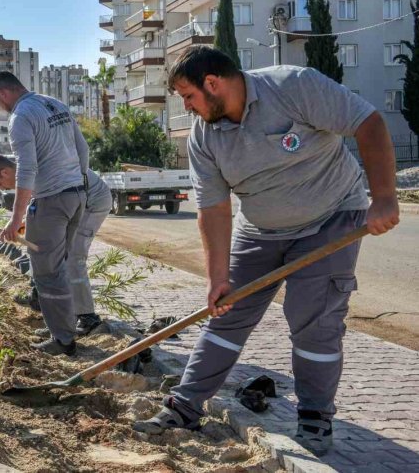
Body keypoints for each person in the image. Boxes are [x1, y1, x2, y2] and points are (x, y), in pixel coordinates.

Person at [133, 46, 399, 456]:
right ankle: (184, 405)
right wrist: (218, 277)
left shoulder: (294, 86)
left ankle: (314, 418)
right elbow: (213, 209)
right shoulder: (205, 136)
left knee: (313, 320)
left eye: (188, 96)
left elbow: (369, 123)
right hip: (259, 229)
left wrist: (383, 198)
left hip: (330, 219)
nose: (186, 106)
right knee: (225, 314)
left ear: (212, 83)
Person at [0, 71, 90, 356]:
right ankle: (61, 325)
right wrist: (77, 182)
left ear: (2, 94)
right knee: (61, 265)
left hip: (52, 201)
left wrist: (16, 219)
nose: (0, 106)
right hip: (75, 195)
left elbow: (27, 169)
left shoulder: (20, 117)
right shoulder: (55, 104)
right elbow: (83, 149)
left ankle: (63, 340)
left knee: (47, 272)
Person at [0, 155, 110, 335]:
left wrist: (16, 226)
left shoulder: (31, 171)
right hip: (73, 202)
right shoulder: (27, 175)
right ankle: (63, 316)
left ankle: (87, 317)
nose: (2, 189)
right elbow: (36, 213)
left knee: (73, 256)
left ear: (5, 172)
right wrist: (16, 230)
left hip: (92, 201)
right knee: (51, 249)